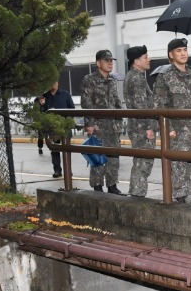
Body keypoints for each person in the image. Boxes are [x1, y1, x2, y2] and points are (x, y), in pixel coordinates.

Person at [153, 37, 191, 203]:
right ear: (171, 54)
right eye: (179, 51)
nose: (183, 53)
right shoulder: (165, 77)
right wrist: (168, 129)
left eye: (185, 50)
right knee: (179, 169)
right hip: (178, 131)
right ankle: (181, 201)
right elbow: (159, 106)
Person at [80, 49, 124, 194]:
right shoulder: (89, 79)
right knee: (98, 157)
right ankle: (97, 186)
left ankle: (112, 185)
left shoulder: (112, 80)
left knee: (114, 157)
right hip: (99, 125)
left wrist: (119, 120)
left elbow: (117, 102)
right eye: (107, 60)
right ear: (98, 63)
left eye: (111, 60)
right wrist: (90, 124)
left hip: (113, 125)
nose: (110, 63)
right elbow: (86, 103)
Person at [123, 45, 158, 197]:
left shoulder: (134, 76)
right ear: (136, 61)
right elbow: (140, 106)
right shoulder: (136, 78)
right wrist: (149, 127)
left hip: (138, 126)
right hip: (141, 128)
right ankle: (137, 194)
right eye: (145, 57)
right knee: (143, 163)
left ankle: (137, 193)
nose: (148, 59)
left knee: (142, 161)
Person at [38, 81, 75, 179]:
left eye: (54, 82)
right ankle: (57, 170)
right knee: (55, 149)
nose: (52, 84)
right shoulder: (45, 96)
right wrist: (42, 105)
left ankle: (68, 170)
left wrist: (68, 122)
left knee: (66, 149)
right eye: (51, 82)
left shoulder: (65, 94)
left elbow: (72, 109)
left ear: (58, 83)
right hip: (52, 127)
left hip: (64, 126)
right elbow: (41, 113)